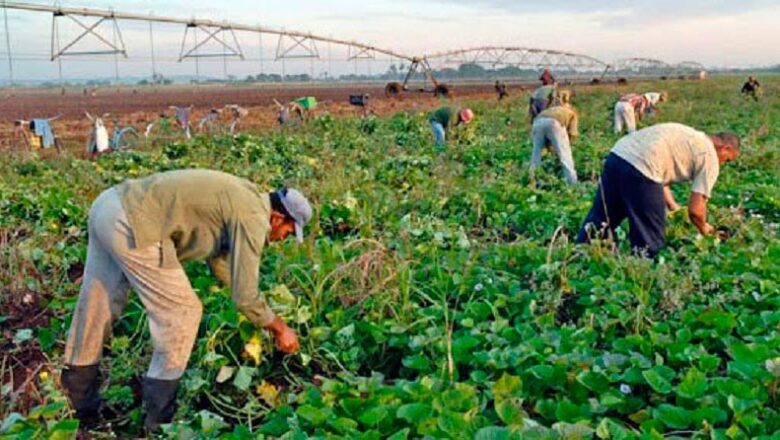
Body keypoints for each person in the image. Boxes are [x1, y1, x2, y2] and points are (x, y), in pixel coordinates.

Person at [61, 169, 313, 432]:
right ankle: (159, 421)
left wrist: (255, 306)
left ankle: (75, 401)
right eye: (286, 232)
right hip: (136, 222)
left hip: (110, 205)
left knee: (98, 304)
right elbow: (246, 297)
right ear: (277, 217)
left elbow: (222, 263)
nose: (282, 239)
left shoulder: (245, 196)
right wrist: (280, 328)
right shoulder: (254, 218)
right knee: (183, 312)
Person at [576, 123, 740, 258]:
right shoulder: (709, 155)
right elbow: (696, 210)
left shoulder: (691, 135)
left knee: (602, 217)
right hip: (643, 167)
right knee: (650, 234)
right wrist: (704, 227)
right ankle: (643, 273)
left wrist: (673, 205)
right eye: (727, 160)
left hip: (618, 156)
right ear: (725, 148)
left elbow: (660, 175)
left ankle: (578, 258)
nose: (723, 163)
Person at [529, 93, 579, 185]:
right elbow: (572, 134)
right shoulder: (572, 114)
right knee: (565, 155)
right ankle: (572, 183)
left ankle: (532, 180)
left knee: (536, 154)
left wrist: (550, 147)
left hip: (537, 122)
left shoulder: (552, 109)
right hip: (554, 122)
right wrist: (567, 145)